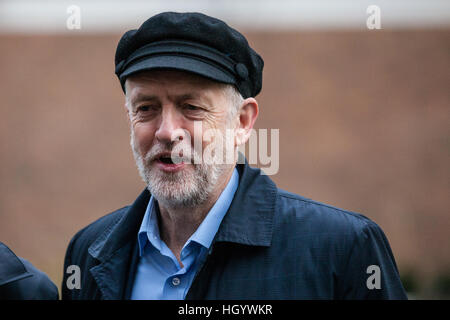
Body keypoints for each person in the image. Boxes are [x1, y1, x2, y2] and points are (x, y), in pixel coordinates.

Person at [61, 12, 407, 300]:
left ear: (242, 122)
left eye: (191, 107)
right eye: (146, 108)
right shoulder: (89, 252)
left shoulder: (342, 250)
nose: (166, 131)